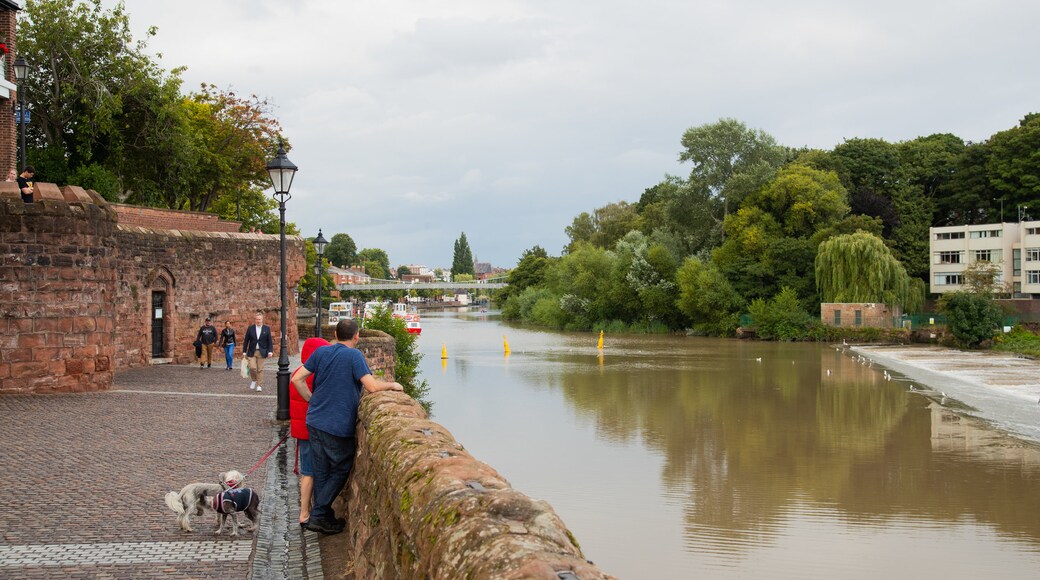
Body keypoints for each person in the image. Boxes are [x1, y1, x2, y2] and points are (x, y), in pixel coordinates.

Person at [290, 319, 403, 534]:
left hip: (314, 421)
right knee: (341, 467)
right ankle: (319, 514)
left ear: (335, 333)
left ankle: (324, 517)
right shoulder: (354, 356)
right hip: (336, 424)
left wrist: (311, 400)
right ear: (357, 336)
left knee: (322, 470)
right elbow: (371, 386)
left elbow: (297, 379)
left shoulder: (322, 352)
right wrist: (392, 385)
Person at [290, 337, 330, 526]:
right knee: (309, 472)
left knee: (309, 471)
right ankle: (305, 513)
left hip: (302, 430)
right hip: (310, 430)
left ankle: (309, 509)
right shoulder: (313, 375)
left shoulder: (299, 371)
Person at [242, 311, 273, 391]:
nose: (258, 321)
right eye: (256, 319)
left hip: (262, 351)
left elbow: (269, 341)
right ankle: (254, 380)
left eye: (259, 319)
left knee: (260, 369)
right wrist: (244, 351)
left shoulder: (266, 329)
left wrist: (270, 351)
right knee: (252, 367)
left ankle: (259, 385)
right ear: (255, 320)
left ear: (262, 320)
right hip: (252, 351)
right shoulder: (251, 328)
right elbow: (246, 340)